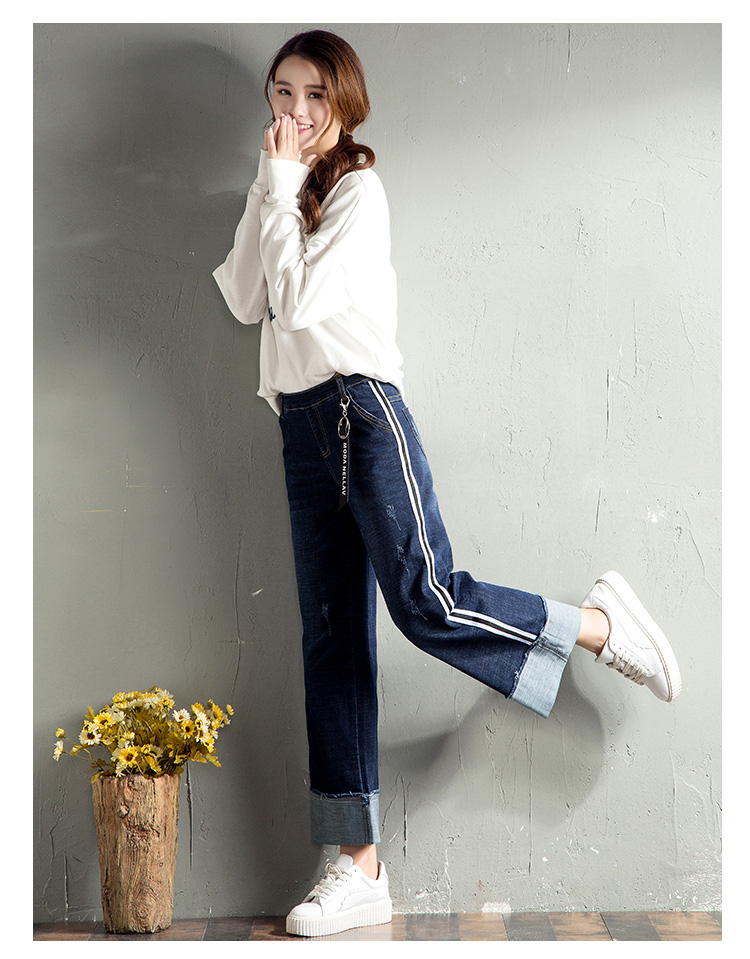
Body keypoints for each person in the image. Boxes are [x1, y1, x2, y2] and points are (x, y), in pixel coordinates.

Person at [213, 29, 682, 939]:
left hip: (362, 413)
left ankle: (598, 625)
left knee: (427, 599)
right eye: (282, 92)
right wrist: (269, 189)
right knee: (331, 642)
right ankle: (357, 865)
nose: (296, 111)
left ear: (345, 104)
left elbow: (297, 303)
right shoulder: (278, 187)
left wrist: (282, 190)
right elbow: (243, 296)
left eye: (315, 95)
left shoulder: (359, 191)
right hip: (301, 428)